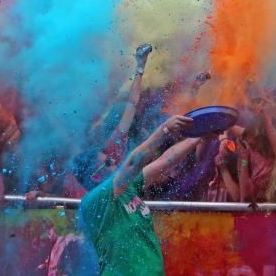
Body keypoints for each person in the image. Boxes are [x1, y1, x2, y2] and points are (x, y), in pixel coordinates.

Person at [76, 114, 193, 276]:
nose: (115, 163)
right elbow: (133, 163)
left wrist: (200, 137)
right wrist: (164, 130)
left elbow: (165, 161)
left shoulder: (126, 188)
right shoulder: (94, 200)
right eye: (108, 162)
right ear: (95, 176)